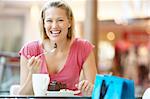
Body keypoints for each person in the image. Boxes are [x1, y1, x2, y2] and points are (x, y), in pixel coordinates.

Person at [18, 0, 97, 96]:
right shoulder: (30, 50)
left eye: (60, 20)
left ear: (69, 22)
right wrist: (33, 74)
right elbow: (21, 96)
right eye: (49, 21)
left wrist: (88, 90)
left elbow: (95, 90)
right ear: (43, 24)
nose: (54, 26)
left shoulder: (83, 48)